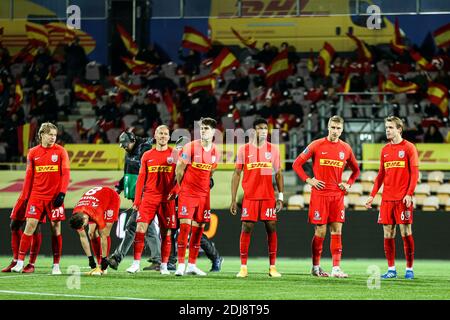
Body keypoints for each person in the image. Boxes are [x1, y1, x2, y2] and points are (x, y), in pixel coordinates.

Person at [292, 115, 360, 278]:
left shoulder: (346, 148)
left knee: (337, 230)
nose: (335, 131)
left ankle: (336, 268)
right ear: (328, 127)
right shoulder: (316, 145)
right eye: (333, 127)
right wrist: (309, 180)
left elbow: (356, 170)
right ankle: (316, 267)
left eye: (338, 128)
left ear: (342, 130)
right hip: (320, 195)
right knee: (320, 232)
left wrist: (349, 183)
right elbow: (296, 164)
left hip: (337, 196)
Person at [10, 122, 70, 274]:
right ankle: (20, 262)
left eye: (55, 135)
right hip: (36, 196)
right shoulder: (32, 152)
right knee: (29, 226)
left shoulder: (61, 151)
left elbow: (65, 174)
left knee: (56, 229)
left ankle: (56, 265)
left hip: (54, 197)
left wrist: (62, 193)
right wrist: (25, 198)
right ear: (42, 134)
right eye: (50, 134)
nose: (53, 138)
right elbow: (29, 177)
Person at [365, 116, 419, 280]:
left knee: (406, 232)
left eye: (390, 127)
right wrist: (372, 195)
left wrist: (409, 193)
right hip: (387, 199)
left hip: (403, 198)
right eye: (386, 127)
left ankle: (409, 268)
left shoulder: (409, 148)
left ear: (399, 129)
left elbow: (415, 173)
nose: (387, 130)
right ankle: (391, 269)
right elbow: (381, 175)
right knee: (388, 233)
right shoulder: (385, 150)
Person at [230, 118, 284, 278]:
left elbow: (279, 174)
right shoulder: (244, 150)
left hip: (268, 196)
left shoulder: (273, 150)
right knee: (246, 227)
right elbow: (236, 174)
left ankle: (272, 267)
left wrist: (280, 196)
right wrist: (233, 199)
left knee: (271, 227)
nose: (263, 132)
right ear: (253, 131)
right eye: (260, 128)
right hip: (250, 197)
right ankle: (243, 267)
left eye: (265, 129)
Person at [125, 125, 178, 275]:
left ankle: (164, 266)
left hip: (167, 198)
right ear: (155, 135)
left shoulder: (175, 154)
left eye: (165, 134)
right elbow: (141, 179)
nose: (162, 136)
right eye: (160, 133)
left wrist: (176, 191)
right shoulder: (147, 155)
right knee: (140, 228)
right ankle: (135, 263)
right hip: (149, 197)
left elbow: (181, 177)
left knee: (166, 233)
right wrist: (137, 200)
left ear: (169, 137)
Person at [108, 130, 162, 271]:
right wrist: (120, 186)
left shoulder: (145, 149)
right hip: (137, 195)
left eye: (126, 144)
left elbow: (147, 173)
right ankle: (157, 260)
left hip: (146, 195)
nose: (124, 147)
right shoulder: (131, 152)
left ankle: (116, 257)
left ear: (132, 140)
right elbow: (128, 173)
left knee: (132, 227)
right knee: (147, 229)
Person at [174, 117, 219, 276]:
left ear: (213, 132)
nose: (203, 131)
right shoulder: (190, 147)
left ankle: (192, 265)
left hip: (204, 196)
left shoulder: (215, 151)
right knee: (184, 228)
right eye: (201, 128)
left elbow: (211, 172)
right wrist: (182, 187)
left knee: (199, 230)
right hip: (188, 193)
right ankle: (180, 265)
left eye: (206, 128)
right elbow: (179, 169)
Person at [69, 186, 120, 275]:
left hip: (111, 199)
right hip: (95, 202)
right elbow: (83, 236)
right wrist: (90, 259)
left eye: (84, 225)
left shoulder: (96, 214)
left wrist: (104, 259)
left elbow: (104, 236)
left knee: (104, 232)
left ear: (85, 218)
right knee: (91, 233)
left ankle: (103, 266)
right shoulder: (76, 215)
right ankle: (97, 263)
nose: (84, 226)